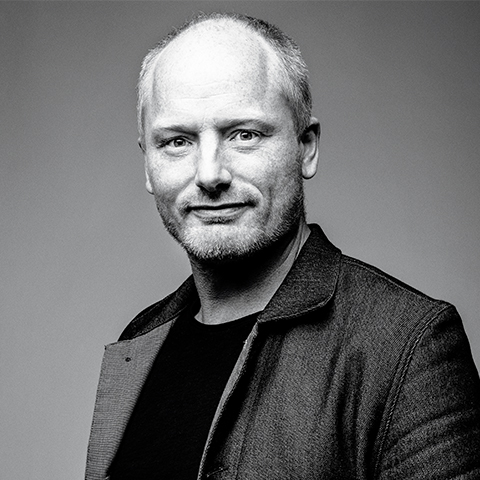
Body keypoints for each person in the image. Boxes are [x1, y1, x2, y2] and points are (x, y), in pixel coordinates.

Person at [86, 12, 480, 480]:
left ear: (306, 147)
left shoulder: (408, 344)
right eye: (177, 142)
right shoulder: (142, 337)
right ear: (148, 166)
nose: (209, 174)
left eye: (244, 135)